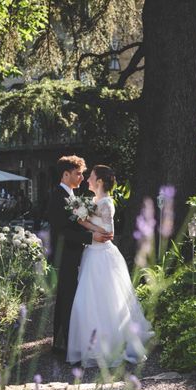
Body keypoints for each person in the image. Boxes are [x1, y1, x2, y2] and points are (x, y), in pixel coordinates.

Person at [66, 165, 154, 367]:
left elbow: (109, 233)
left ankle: (110, 347)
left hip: (103, 257)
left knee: (107, 302)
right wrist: (84, 217)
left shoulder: (106, 202)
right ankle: (93, 347)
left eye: (91, 176)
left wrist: (85, 222)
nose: (87, 179)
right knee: (87, 303)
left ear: (99, 182)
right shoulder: (94, 201)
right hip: (92, 255)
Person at [47, 156, 113, 353]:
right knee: (67, 299)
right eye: (78, 173)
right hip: (66, 255)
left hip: (76, 254)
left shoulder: (71, 197)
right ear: (65, 174)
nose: (82, 178)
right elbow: (62, 232)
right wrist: (90, 237)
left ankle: (63, 343)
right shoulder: (58, 197)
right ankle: (67, 346)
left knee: (68, 299)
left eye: (83, 173)